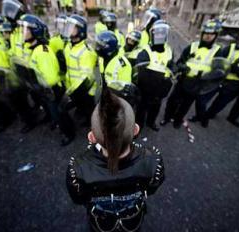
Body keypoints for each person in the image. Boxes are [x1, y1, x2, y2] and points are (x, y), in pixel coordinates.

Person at [66, 82, 164, 232]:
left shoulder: (77, 166)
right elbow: (151, 189)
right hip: (133, 221)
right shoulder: (153, 159)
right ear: (136, 129)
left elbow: (79, 199)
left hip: (100, 223)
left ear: (91, 137)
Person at [161, 20, 223, 128]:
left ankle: (177, 121)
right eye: (206, 33)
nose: (208, 36)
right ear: (202, 34)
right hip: (183, 79)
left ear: (215, 36)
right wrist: (182, 67)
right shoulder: (193, 46)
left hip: (198, 83)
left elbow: (218, 70)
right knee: (172, 101)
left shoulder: (218, 51)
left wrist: (206, 77)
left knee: (185, 105)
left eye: (211, 34)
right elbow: (180, 61)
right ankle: (167, 117)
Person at [61, 14, 97, 143]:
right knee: (83, 109)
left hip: (84, 90)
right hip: (73, 87)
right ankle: (87, 122)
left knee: (89, 112)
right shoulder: (68, 46)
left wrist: (74, 92)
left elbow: (87, 78)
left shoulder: (86, 52)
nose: (69, 30)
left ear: (80, 31)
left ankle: (92, 132)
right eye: (68, 27)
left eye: (73, 28)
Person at [136, 20, 174, 131]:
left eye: (162, 34)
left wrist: (174, 69)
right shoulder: (145, 51)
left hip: (161, 87)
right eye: (157, 33)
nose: (160, 36)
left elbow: (171, 65)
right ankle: (138, 127)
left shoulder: (168, 50)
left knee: (156, 107)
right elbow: (140, 70)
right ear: (152, 35)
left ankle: (151, 122)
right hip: (147, 87)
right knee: (142, 109)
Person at [95, 30, 133, 104]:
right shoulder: (102, 57)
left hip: (116, 100)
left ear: (108, 48)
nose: (97, 48)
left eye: (100, 46)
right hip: (104, 95)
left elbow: (124, 89)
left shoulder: (123, 65)